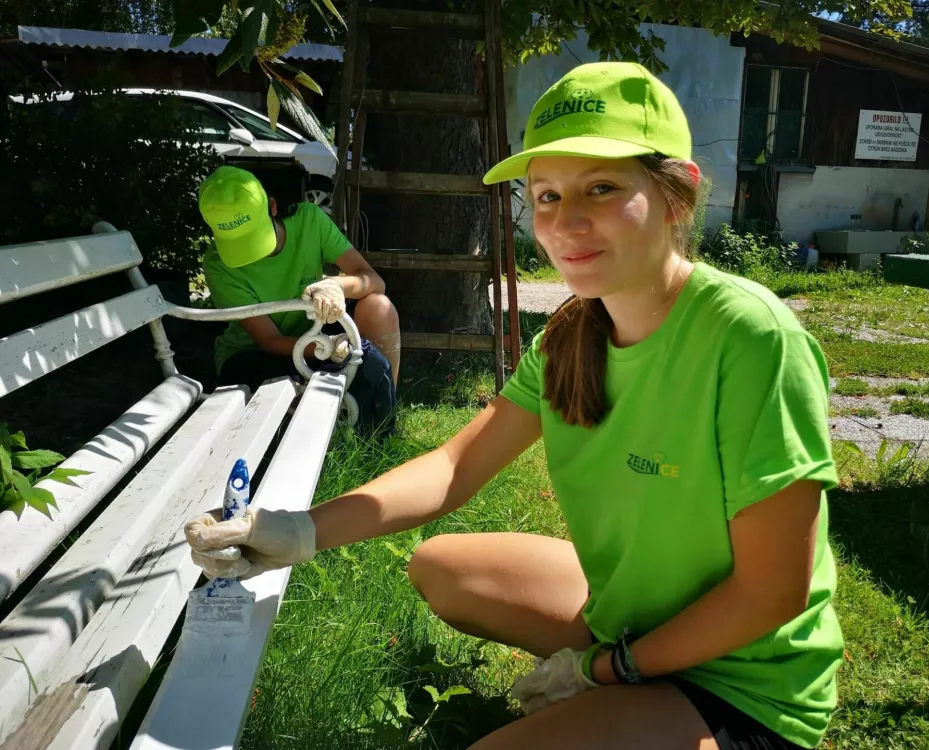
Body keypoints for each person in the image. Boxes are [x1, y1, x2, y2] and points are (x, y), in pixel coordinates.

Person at [184, 62, 844, 750]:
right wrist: (300, 531)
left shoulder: (749, 334)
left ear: (678, 194)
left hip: (745, 679)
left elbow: (773, 593)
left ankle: (646, 693)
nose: (568, 221)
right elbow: (451, 468)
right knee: (440, 567)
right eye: (548, 195)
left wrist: (604, 670)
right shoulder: (571, 334)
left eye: (603, 187)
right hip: (636, 616)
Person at [198, 165, 400, 432]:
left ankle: (383, 421)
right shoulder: (217, 264)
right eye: (236, 241)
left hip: (313, 338)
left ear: (272, 207)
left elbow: (374, 282)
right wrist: (328, 346)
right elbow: (269, 340)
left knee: (378, 307)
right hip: (255, 354)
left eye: (252, 236)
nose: (251, 255)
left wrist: (336, 285)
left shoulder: (309, 221)